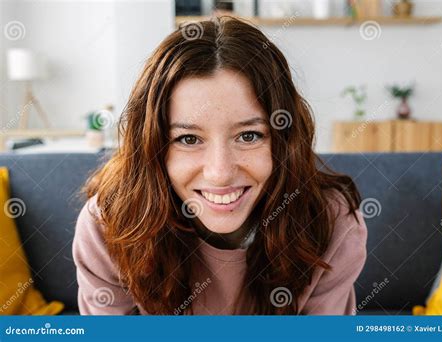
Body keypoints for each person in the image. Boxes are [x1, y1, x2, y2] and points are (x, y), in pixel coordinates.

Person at [72, 16, 367, 315]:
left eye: (249, 135)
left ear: (285, 139)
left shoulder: (331, 222)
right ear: (152, 146)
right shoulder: (108, 225)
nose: (220, 173)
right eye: (188, 139)